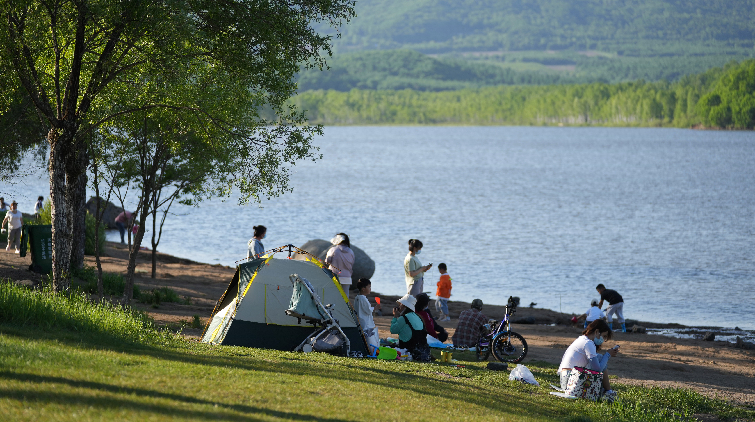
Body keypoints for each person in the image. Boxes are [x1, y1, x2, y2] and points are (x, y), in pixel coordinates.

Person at [558, 320, 619, 396]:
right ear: (597, 332)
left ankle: (607, 390)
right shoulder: (588, 343)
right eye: (604, 336)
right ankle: (609, 391)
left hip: (566, 380)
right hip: (571, 380)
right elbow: (598, 369)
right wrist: (607, 355)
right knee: (600, 358)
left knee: (598, 357)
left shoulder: (582, 339)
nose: (603, 340)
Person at [390, 294, 431, 362]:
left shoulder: (404, 318)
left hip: (409, 351)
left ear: (404, 306)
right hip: (422, 351)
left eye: (400, 304)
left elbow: (392, 330)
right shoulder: (418, 317)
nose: (399, 306)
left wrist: (395, 317)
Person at [354, 278, 381, 354]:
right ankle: (371, 350)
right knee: (368, 337)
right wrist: (375, 308)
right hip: (365, 322)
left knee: (363, 336)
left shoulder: (357, 297)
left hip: (360, 320)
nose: (370, 289)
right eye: (369, 287)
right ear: (363, 289)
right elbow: (368, 310)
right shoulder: (363, 299)